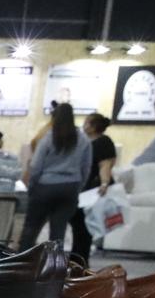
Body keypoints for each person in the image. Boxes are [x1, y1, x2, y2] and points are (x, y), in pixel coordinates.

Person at [21, 102, 93, 249]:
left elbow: (36, 165)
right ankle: (54, 267)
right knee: (58, 231)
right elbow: (86, 167)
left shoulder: (48, 137)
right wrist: (78, 187)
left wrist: (32, 186)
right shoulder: (83, 139)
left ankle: (22, 263)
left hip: (44, 186)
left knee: (31, 228)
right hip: (70, 187)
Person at [72, 113, 117, 262]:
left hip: (92, 190)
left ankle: (79, 261)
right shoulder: (86, 141)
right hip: (83, 189)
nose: (83, 126)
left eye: (86, 123)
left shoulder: (103, 142)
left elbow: (105, 165)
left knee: (83, 228)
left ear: (93, 127)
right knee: (79, 227)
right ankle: (77, 260)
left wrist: (104, 183)